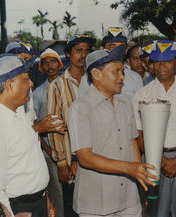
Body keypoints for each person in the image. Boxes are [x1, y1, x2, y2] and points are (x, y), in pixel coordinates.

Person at [67, 46, 157, 217]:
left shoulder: (125, 103)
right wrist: (129, 168)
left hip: (129, 199)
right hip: (96, 203)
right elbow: (84, 157)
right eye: (116, 72)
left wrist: (140, 178)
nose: (122, 77)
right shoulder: (80, 108)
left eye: (122, 72)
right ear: (96, 74)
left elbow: (132, 142)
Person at [132, 40, 176, 217]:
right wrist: (161, 160)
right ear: (152, 65)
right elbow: (138, 134)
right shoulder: (142, 94)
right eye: (157, 61)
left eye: (167, 60)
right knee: (157, 211)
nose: (162, 66)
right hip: (153, 160)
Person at [0, 54, 54, 217]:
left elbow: (29, 160)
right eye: (26, 79)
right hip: (17, 208)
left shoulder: (19, 111)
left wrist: (44, 197)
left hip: (37, 201)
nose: (31, 83)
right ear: (9, 85)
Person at [47, 34, 95, 217]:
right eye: (78, 50)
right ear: (67, 54)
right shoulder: (57, 86)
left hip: (96, 157)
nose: (83, 55)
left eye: (86, 50)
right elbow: (54, 126)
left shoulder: (95, 80)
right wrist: (61, 163)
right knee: (75, 209)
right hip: (71, 162)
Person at [33, 48, 66, 217]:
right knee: (57, 194)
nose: (49, 66)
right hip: (49, 154)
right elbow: (35, 127)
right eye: (45, 63)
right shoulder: (37, 93)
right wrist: (49, 151)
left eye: (53, 61)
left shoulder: (69, 86)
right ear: (41, 68)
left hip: (72, 151)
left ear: (59, 65)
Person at [77, 27, 143, 99]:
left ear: (126, 50)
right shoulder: (90, 77)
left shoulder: (135, 77)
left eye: (121, 47)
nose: (117, 50)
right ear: (102, 49)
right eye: (112, 47)